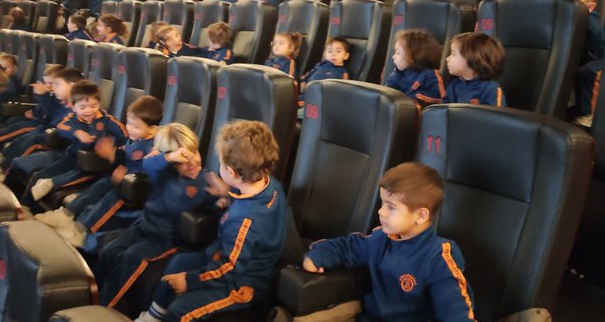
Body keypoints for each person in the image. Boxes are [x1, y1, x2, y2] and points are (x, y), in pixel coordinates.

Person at [135, 120, 289, 322]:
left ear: (231, 172)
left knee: (181, 312)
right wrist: (228, 193)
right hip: (223, 257)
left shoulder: (244, 220)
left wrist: (189, 281)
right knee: (178, 264)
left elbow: (229, 269)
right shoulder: (271, 184)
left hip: (243, 283)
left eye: (221, 163)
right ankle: (153, 316)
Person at [303, 162, 476, 321]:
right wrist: (319, 255)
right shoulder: (381, 238)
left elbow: (454, 310)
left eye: (391, 207)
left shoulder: (439, 257)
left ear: (421, 215)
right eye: (382, 203)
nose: (381, 212)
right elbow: (349, 246)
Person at [92, 122, 231, 305]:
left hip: (168, 238)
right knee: (109, 250)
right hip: (144, 227)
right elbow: (148, 163)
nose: (191, 162)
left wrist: (224, 199)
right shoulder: (163, 174)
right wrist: (171, 157)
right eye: (182, 159)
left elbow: (224, 201)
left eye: (194, 153)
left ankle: (105, 304)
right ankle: (91, 292)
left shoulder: (206, 179)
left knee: (132, 257)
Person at [35, 96, 166, 247]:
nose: (129, 128)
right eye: (128, 123)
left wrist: (126, 175)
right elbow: (125, 158)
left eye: (135, 126)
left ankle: (81, 231)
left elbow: (148, 172)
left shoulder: (153, 147)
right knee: (99, 186)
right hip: (121, 179)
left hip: (134, 189)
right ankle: (66, 215)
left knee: (110, 198)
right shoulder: (135, 139)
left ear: (152, 129)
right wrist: (112, 156)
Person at [26, 80, 128, 206]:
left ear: (99, 104)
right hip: (70, 158)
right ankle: (25, 206)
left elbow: (125, 137)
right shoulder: (73, 119)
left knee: (76, 175)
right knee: (38, 176)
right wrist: (77, 132)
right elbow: (61, 127)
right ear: (74, 107)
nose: (88, 111)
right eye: (83, 107)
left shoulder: (108, 121)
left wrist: (113, 149)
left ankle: (52, 183)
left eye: (93, 106)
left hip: (92, 163)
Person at [0, 64, 66, 152]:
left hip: (45, 125)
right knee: (14, 120)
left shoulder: (57, 97)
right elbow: (43, 110)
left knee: (22, 128)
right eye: (46, 83)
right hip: (39, 119)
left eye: (51, 83)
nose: (47, 86)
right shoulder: (50, 94)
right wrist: (34, 114)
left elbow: (51, 113)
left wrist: (43, 96)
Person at [0, 67, 82, 176]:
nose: (53, 88)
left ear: (72, 85)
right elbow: (48, 115)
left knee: (33, 140)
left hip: (61, 145)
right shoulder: (63, 102)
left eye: (57, 84)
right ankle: (1, 160)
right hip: (51, 134)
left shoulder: (79, 108)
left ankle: (3, 171)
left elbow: (55, 122)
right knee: (22, 137)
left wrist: (43, 96)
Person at [552, 0, 604, 126]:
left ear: (590, 8)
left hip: (601, 58)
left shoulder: (591, 21)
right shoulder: (568, 16)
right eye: (563, 1)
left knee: (586, 72)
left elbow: (600, 51)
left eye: (571, 3)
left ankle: (586, 114)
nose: (566, 7)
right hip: (582, 56)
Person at [444, 32, 506, 106]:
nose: (447, 58)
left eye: (453, 54)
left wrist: (477, 109)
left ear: (473, 58)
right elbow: (444, 110)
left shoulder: (492, 89)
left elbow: (496, 112)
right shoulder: (454, 85)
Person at [386, 30, 446, 106]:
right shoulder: (398, 73)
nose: (393, 56)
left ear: (414, 55)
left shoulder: (430, 75)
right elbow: (389, 90)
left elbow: (439, 98)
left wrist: (413, 97)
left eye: (398, 53)